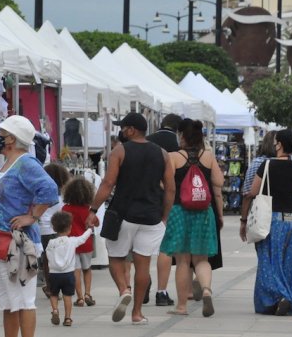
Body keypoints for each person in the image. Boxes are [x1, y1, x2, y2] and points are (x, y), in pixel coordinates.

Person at [0, 115, 58, 337]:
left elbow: (49, 189)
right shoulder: (8, 163)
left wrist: (32, 216)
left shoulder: (26, 163)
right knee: (7, 300)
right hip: (0, 241)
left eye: (2, 132)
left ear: (12, 138)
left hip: (18, 244)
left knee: (23, 300)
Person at [87, 112, 175, 325]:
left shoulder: (120, 151)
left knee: (115, 258)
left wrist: (93, 209)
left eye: (124, 127)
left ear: (131, 130)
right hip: (152, 217)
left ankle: (124, 289)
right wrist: (164, 216)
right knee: (143, 265)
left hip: (123, 214)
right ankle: (137, 313)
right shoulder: (163, 154)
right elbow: (171, 188)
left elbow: (108, 184)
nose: (121, 131)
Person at [159, 119, 224, 317]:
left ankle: (181, 306)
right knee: (202, 259)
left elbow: (165, 185)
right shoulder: (209, 156)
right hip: (204, 213)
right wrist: (220, 215)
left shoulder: (173, 157)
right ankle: (205, 289)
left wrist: (166, 211)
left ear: (182, 136)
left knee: (182, 261)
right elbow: (219, 183)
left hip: (180, 211)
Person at [241, 129, 292, 316]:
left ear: (278, 144)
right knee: (291, 263)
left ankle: (280, 296)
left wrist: (244, 220)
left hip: (271, 220)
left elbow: (253, 192)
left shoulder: (267, 166)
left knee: (268, 261)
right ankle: (289, 299)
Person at [147, 113, 182, 306]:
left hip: (145, 198)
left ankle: (142, 284)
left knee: (141, 247)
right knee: (165, 247)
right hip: (170, 199)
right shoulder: (179, 147)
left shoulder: (146, 141)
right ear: (178, 129)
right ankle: (161, 292)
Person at [45, 211, 93, 327]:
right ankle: (67, 318)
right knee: (67, 296)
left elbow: (47, 256)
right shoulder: (72, 241)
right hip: (68, 274)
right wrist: (90, 229)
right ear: (70, 227)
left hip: (54, 274)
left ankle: (55, 310)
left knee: (54, 294)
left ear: (54, 228)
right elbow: (83, 238)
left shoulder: (51, 243)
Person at [61, 177, 97, 307]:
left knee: (75, 270)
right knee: (87, 269)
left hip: (71, 243)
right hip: (86, 243)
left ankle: (80, 297)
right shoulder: (88, 210)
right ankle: (88, 294)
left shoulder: (66, 208)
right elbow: (96, 223)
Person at [38, 163, 72, 298]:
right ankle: (62, 286)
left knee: (47, 261)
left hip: (45, 230)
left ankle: (51, 287)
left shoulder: (43, 193)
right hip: (60, 230)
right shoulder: (64, 196)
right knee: (61, 260)